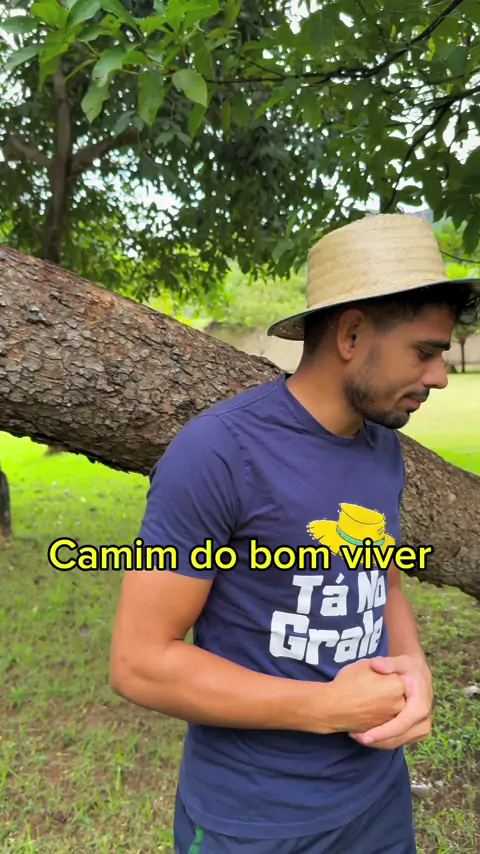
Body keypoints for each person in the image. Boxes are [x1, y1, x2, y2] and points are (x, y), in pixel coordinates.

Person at [109, 213, 480, 854]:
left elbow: (382, 580)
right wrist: (326, 707)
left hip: (378, 799)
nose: (440, 376)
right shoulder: (217, 452)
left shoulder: (381, 449)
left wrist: (414, 665)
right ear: (352, 333)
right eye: (425, 352)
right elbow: (140, 663)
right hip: (255, 821)